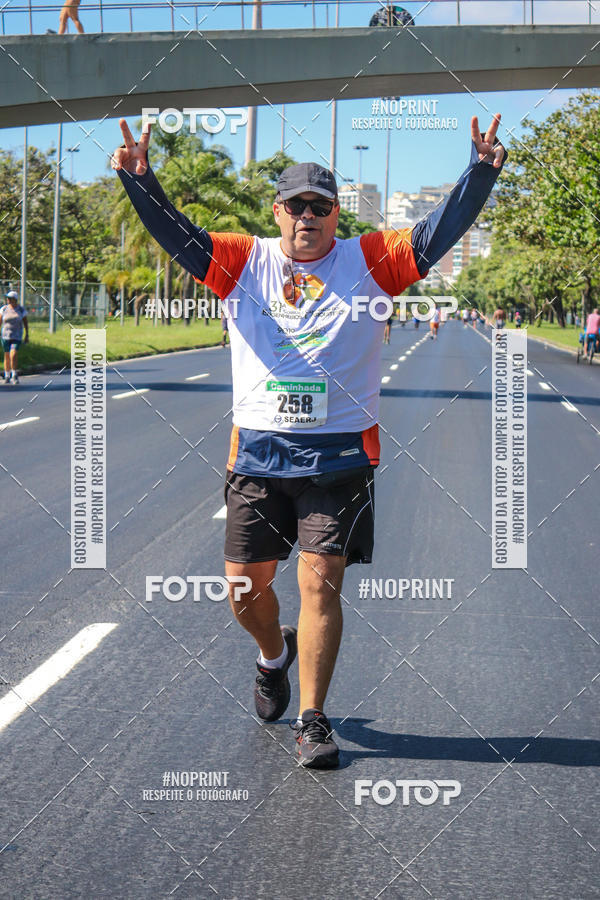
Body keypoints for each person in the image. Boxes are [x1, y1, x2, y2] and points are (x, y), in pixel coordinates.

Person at [113, 114, 505, 768]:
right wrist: (141, 180)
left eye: (321, 206)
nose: (308, 216)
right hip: (259, 456)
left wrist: (480, 171)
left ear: (335, 216)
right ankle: (273, 654)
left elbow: (439, 234)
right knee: (244, 590)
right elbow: (179, 238)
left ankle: (314, 719)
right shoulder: (244, 260)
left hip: (340, 458)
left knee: (321, 582)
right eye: (296, 205)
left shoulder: (371, 261)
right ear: (278, 211)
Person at [1, 290, 28, 385]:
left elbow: (25, 322)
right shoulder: (4, 309)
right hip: (5, 335)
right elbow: (0, 321)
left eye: (9, 298)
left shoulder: (21, 310)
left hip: (17, 336)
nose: (7, 299)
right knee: (7, 355)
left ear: (15, 299)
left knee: (13, 354)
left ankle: (14, 374)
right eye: (7, 298)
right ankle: (7, 375)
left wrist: (27, 334)